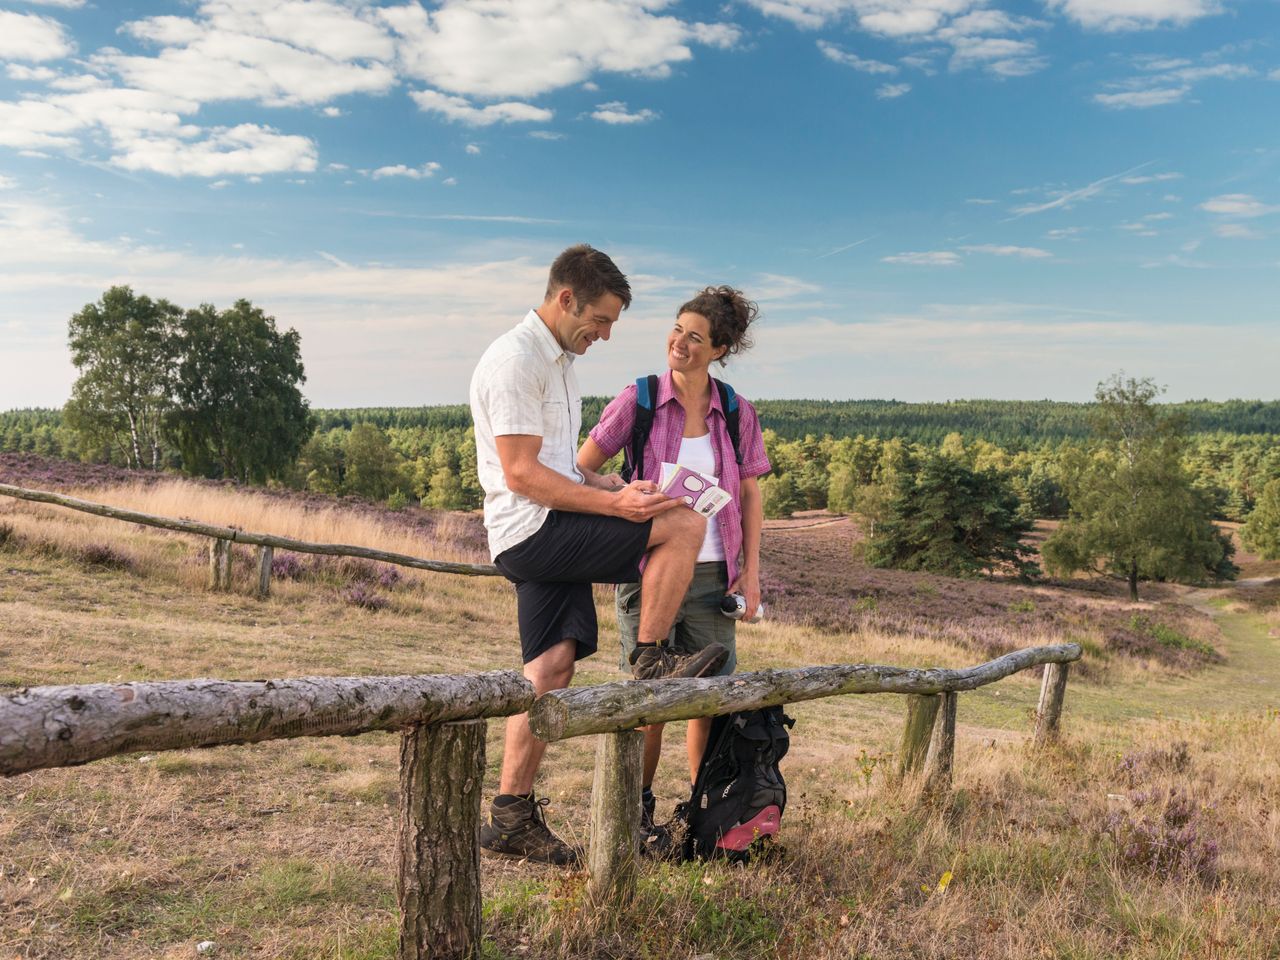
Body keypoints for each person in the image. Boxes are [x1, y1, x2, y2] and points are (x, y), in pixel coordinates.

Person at [469, 245, 730, 866]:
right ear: (566, 300)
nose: (606, 335)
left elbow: (560, 468)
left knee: (551, 666)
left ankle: (509, 815)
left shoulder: (556, 361)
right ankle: (650, 658)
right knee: (685, 524)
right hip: (534, 530)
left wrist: (610, 487)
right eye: (602, 320)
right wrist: (616, 511)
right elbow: (523, 474)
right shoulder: (516, 361)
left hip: (544, 524)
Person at [577, 285, 770, 836]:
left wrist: (751, 572)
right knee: (646, 699)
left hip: (714, 577)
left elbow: (751, 494)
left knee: (708, 700)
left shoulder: (735, 411)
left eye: (695, 338)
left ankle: (703, 813)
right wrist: (619, 488)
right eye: (677, 329)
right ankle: (633, 816)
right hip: (651, 573)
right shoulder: (637, 400)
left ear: (719, 350)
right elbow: (584, 468)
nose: (679, 343)